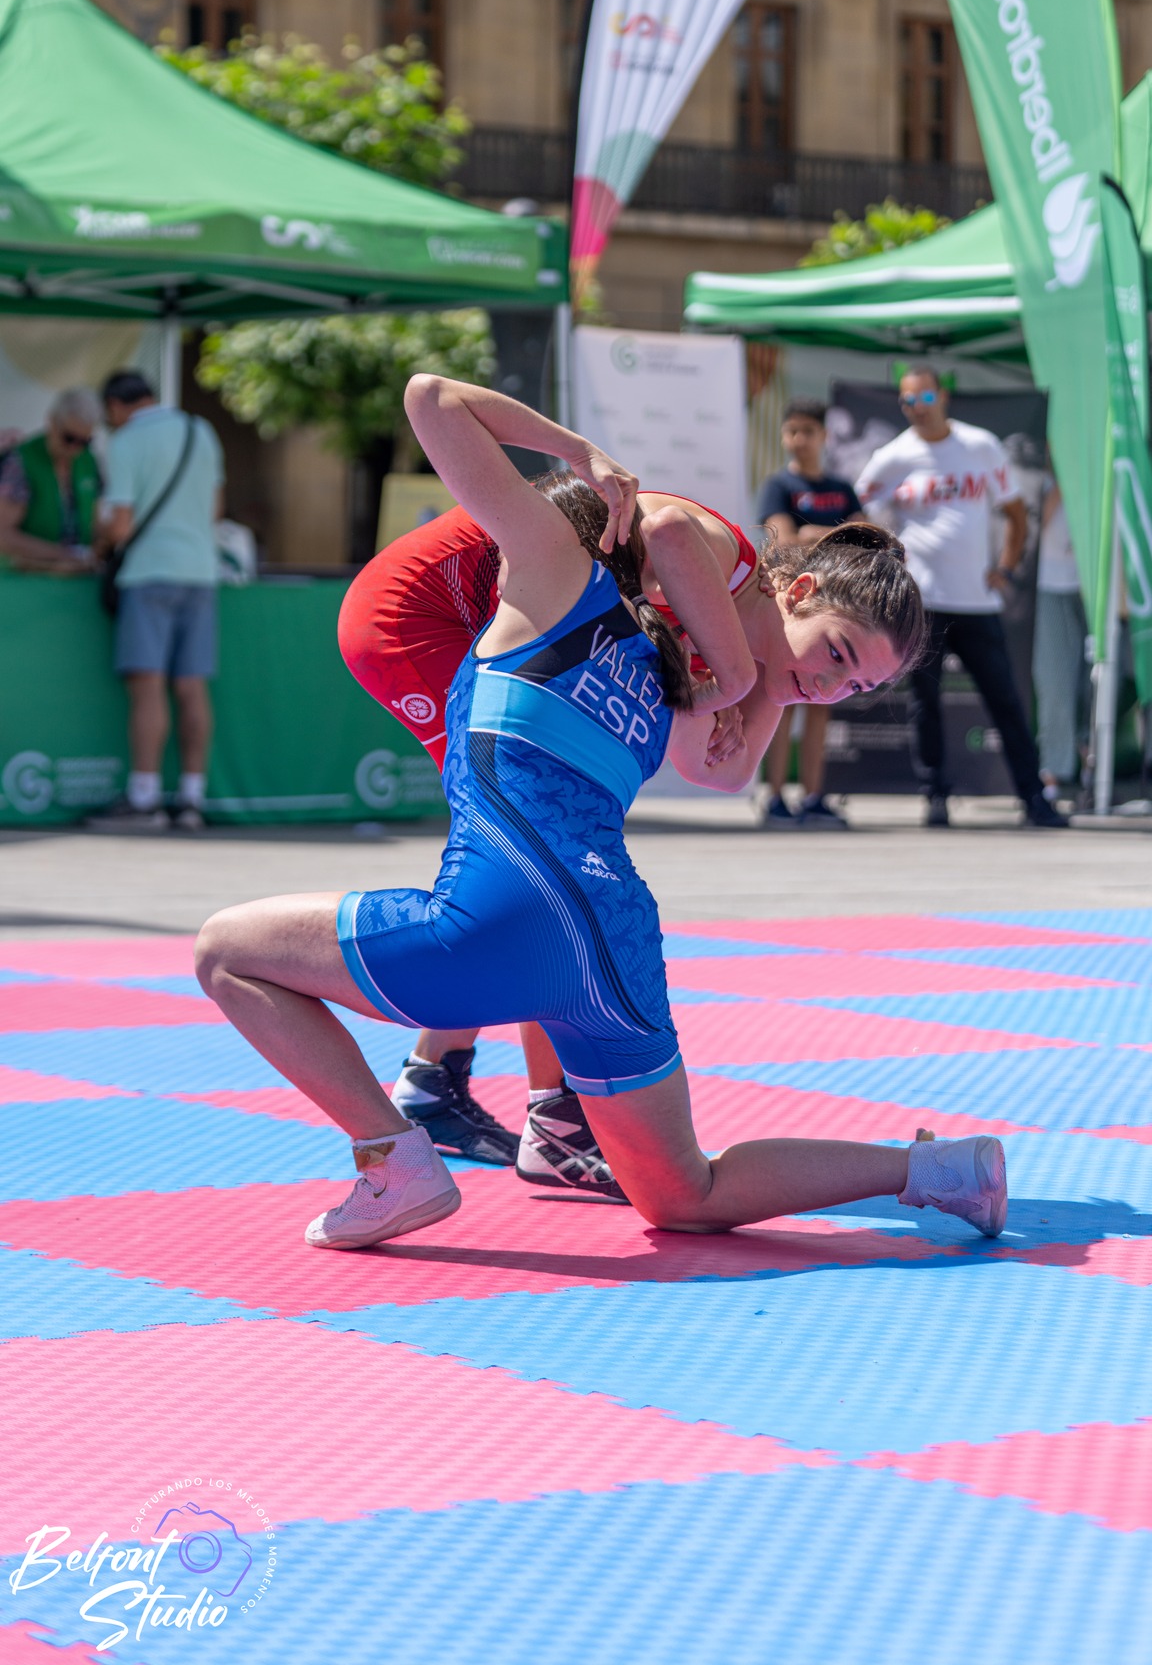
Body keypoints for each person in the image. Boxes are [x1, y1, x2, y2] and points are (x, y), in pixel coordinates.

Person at [195, 373, 1007, 1256]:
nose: (837, 688)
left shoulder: (555, 579)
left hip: (502, 922)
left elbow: (431, 398)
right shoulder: (670, 687)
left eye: (858, 685)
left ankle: (397, 1150)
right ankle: (936, 1170)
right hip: (616, 946)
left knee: (224, 952)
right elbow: (719, 747)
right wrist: (742, 676)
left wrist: (574, 451)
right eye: (843, 662)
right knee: (685, 1193)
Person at [337, 412, 758, 1194]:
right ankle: (553, 1117)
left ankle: (441, 1079)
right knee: (531, 853)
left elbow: (720, 766)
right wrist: (734, 685)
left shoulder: (703, 581)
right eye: (827, 669)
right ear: (792, 600)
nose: (823, 692)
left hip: (441, 608)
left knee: (537, 854)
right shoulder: (710, 561)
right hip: (409, 619)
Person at [857, 364, 1066, 830]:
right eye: (907, 401)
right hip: (923, 602)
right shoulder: (893, 456)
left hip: (976, 601)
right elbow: (861, 513)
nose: (916, 408)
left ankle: (1034, 799)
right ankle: (935, 796)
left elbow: (1015, 513)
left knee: (1006, 701)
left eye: (924, 398)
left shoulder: (979, 445)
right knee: (924, 702)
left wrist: (1007, 568)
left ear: (942, 397)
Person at [88, 371, 225, 835]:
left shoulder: (126, 440)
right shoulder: (199, 430)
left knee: (147, 687)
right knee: (191, 687)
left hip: (149, 573)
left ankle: (144, 796)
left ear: (115, 406)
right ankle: (191, 797)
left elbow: (121, 525)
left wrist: (100, 535)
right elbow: (215, 511)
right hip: (201, 572)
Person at [757, 397, 863, 830]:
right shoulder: (778, 484)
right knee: (784, 700)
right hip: (793, 608)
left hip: (836, 608)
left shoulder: (843, 486)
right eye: (791, 431)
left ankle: (814, 797)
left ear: (824, 436)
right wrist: (835, 535)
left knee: (822, 701)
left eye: (807, 431)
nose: (798, 440)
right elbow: (783, 543)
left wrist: (811, 534)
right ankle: (775, 796)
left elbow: (866, 539)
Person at [0, 388, 102, 574]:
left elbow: (96, 524)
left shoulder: (89, 461)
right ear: (52, 422)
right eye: (69, 438)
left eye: (85, 441)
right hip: (28, 582)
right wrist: (63, 555)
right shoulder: (22, 460)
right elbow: (3, 536)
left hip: (80, 581)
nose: (76, 449)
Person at [1033, 471, 1087, 799]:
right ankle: (1053, 771)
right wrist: (1065, 484)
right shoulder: (1040, 484)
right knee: (1055, 682)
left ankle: (1088, 758)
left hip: (1103, 594)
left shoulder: (1117, 472)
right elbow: (1031, 533)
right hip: (1052, 587)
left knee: (1098, 684)